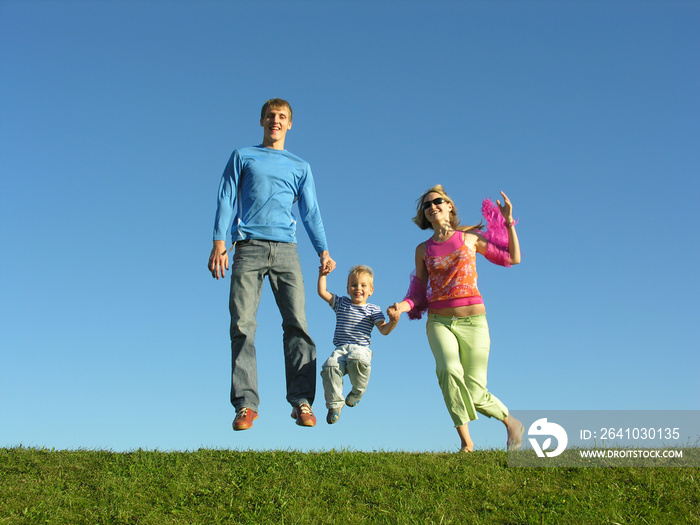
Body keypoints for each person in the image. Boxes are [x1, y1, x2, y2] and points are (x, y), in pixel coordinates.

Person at [208, 98, 336, 431]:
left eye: (281, 117)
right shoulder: (243, 156)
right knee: (242, 325)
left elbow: (310, 212)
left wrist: (322, 250)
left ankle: (302, 401)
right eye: (270, 116)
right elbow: (225, 196)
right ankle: (246, 405)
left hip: (286, 251)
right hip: (248, 248)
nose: (275, 121)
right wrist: (219, 242)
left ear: (290, 124)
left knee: (298, 325)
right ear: (261, 121)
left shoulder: (300, 166)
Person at [388, 185, 523, 452]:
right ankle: (466, 443)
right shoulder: (423, 250)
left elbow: (513, 258)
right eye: (427, 205)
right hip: (439, 321)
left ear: (450, 206)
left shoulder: (470, 239)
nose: (432, 206)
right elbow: (418, 292)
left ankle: (511, 422)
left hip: (474, 323)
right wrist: (402, 308)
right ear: (424, 215)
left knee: (474, 391)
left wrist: (508, 222)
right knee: (448, 371)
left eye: (438, 201)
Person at [317, 265, 399, 424]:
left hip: (361, 350)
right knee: (329, 366)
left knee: (357, 358)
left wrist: (393, 321)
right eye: (353, 285)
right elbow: (322, 292)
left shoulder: (373, 310)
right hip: (340, 350)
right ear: (347, 289)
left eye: (363, 285)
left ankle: (357, 391)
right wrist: (322, 275)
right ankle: (334, 404)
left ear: (371, 290)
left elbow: (384, 330)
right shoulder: (341, 303)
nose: (358, 288)